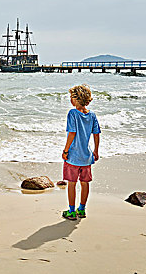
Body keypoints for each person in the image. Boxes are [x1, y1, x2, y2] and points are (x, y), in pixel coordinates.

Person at [61, 84, 101, 220]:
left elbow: (72, 133)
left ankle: (71, 211)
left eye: (71, 97)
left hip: (73, 156)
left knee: (72, 184)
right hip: (86, 156)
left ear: (75, 99)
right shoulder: (92, 115)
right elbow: (96, 134)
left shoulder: (72, 113)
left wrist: (65, 150)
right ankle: (82, 209)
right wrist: (96, 151)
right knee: (85, 183)